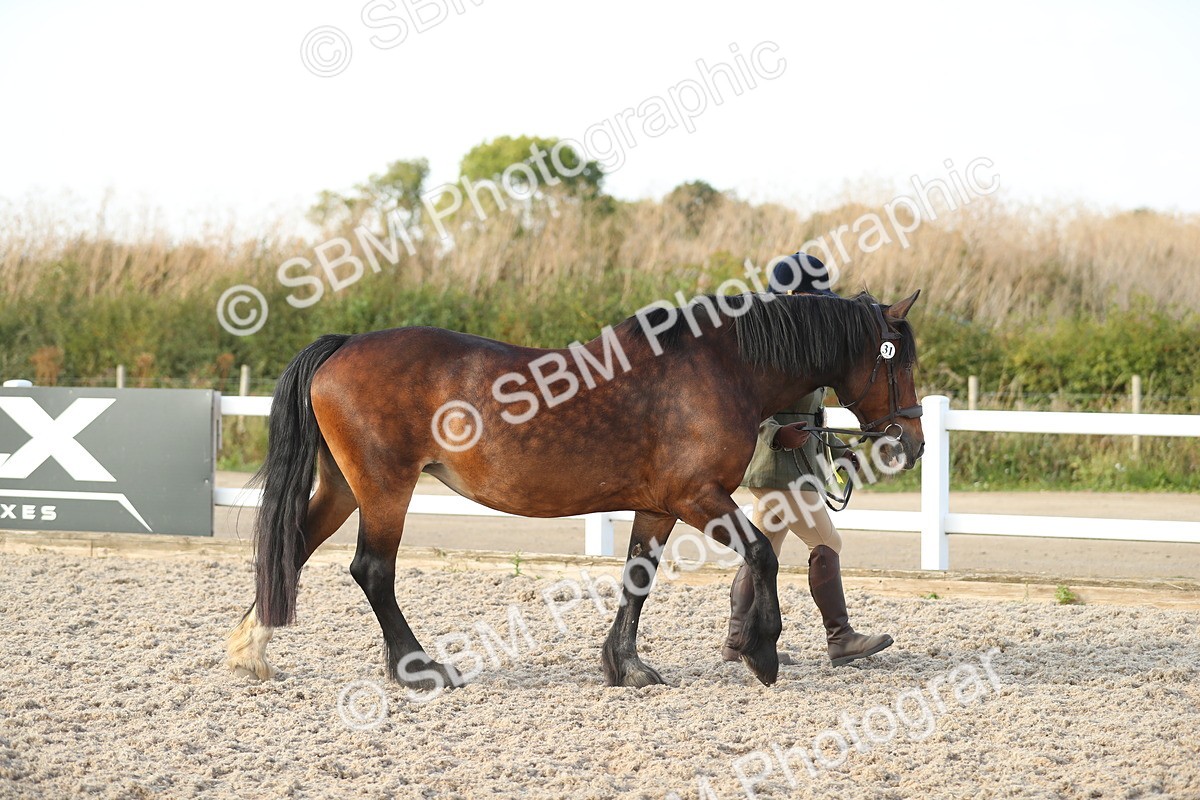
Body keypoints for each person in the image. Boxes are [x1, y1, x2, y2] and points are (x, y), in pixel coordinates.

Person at [723, 253, 894, 667]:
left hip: (786, 469)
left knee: (762, 551)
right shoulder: (768, 349)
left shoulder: (800, 345)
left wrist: (840, 450)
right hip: (778, 466)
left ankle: (736, 640)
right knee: (827, 542)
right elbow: (746, 409)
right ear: (791, 295)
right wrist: (775, 434)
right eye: (812, 297)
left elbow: (812, 419)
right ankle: (841, 637)